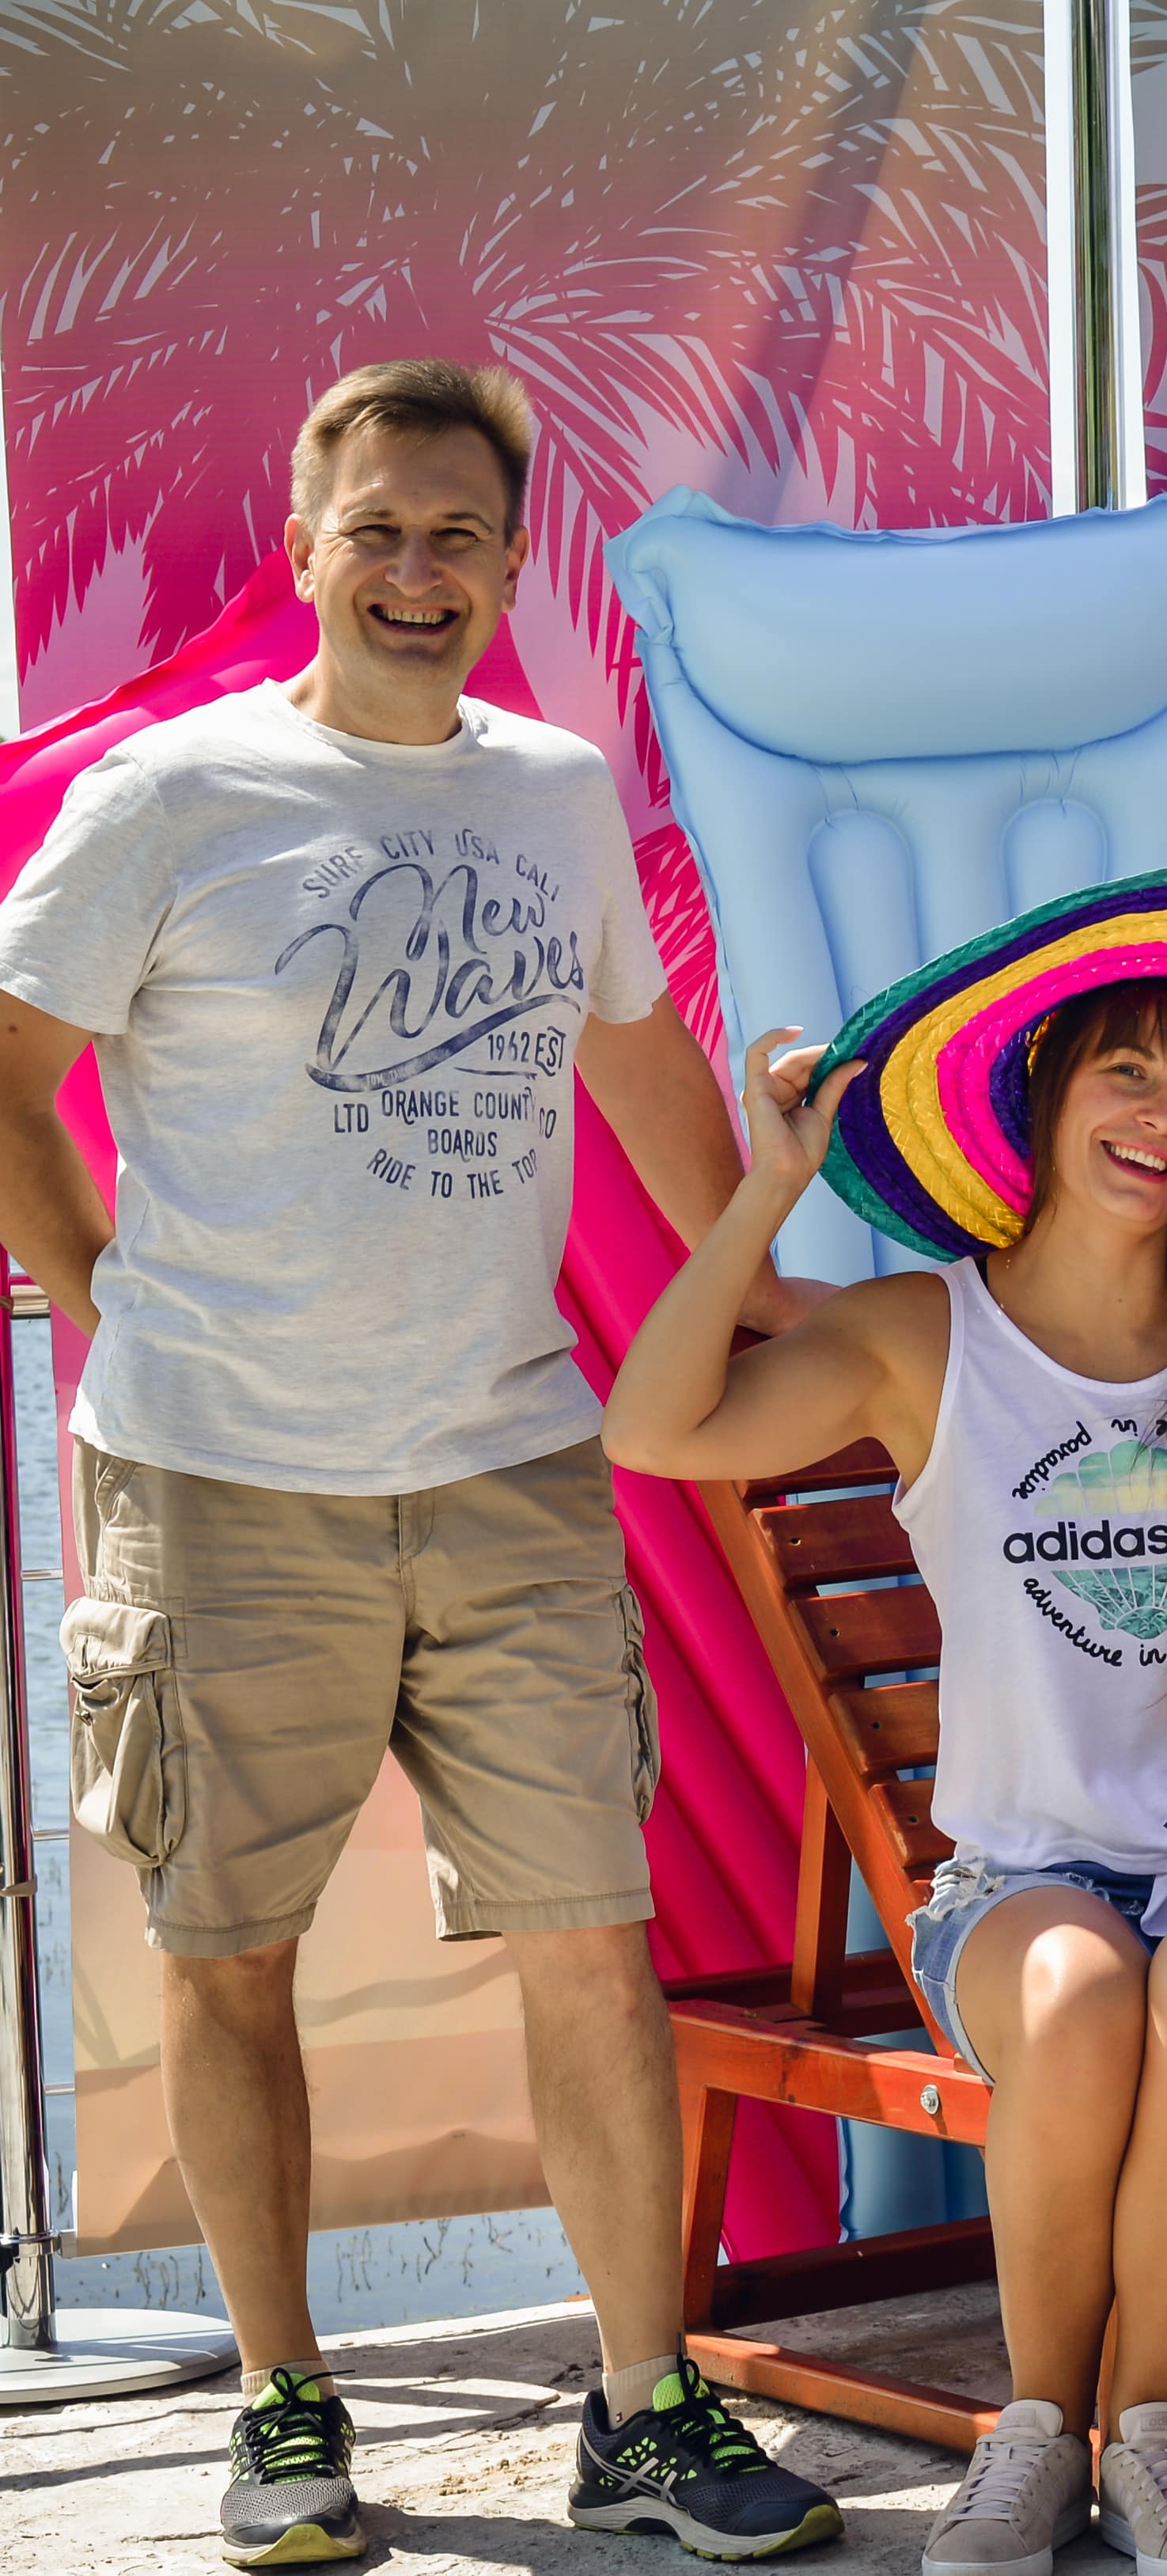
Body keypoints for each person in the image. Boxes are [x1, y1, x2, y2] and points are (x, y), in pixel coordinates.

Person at [0, 361, 839, 2563]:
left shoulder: (555, 793)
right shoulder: (173, 793)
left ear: (506, 565)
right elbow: (7, 1058)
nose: (415, 569)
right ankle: (286, 2402)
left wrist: (768, 1280)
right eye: (375, 527)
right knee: (226, 1953)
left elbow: (638, 1058)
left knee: (595, 1941)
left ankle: (642, 2406)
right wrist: (101, 1300)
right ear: (305, 550)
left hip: (508, 1462)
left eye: (458, 534)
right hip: (217, 1477)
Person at [604, 862, 1167, 2576]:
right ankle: (1033, 2433)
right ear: (1042, 1093)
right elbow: (655, 1432)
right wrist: (766, 1193)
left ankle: (1151, 2437)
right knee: (1088, 1991)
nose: (1163, 1117)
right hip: (1030, 1877)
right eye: (1129, 1072)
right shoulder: (918, 1331)